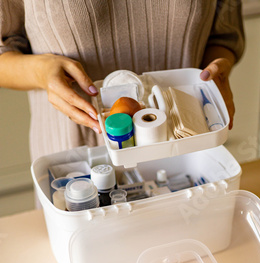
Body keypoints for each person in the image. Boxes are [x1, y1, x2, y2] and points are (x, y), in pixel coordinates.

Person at [0, 1, 244, 162]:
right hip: (77, 160)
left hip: (188, 148)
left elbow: (223, 32)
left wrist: (215, 71)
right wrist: (41, 71)